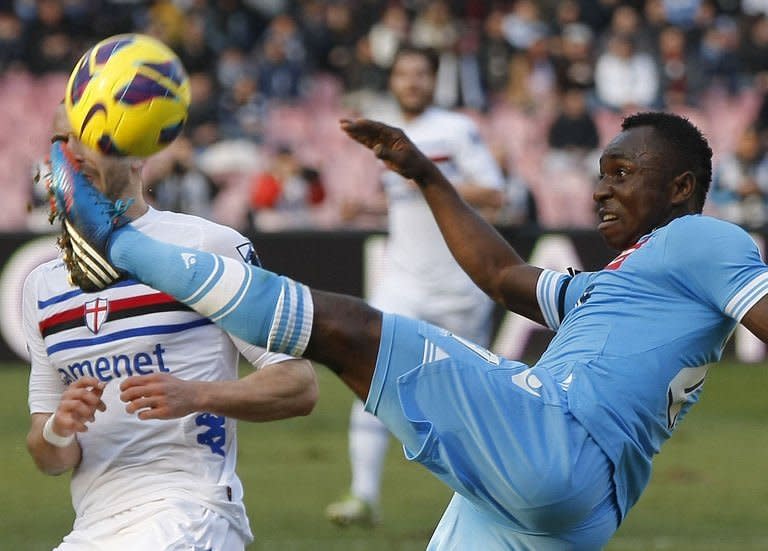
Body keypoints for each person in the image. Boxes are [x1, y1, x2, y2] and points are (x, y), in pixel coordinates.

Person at [52, 110, 768, 549]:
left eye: (622, 173)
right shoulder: (619, 285)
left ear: (679, 187)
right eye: (600, 174)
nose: (600, 190)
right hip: (572, 509)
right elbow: (501, 275)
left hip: (561, 437)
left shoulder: (705, 240)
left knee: (352, 330)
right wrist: (426, 174)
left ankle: (115, 239)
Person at [25, 104, 318, 551]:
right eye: (60, 142)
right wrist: (59, 428)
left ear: (139, 152)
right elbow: (49, 459)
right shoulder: (42, 286)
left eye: (92, 136)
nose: (72, 153)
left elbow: (299, 385)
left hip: (194, 509)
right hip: (94, 524)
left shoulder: (207, 246)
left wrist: (197, 395)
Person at [332, 44, 505, 525]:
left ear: (434, 80)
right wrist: (361, 210)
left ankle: (494, 500)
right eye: (403, 74)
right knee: (371, 376)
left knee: (474, 400)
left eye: (420, 74)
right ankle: (362, 496)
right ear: (393, 82)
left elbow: (493, 194)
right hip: (403, 280)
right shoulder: (385, 134)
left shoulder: (456, 129)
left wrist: (428, 175)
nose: (411, 82)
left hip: (460, 286)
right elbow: (399, 202)